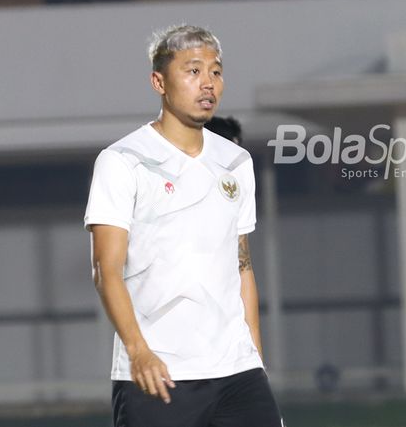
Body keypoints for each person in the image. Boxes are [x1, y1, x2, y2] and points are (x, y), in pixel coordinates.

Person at [85, 25, 283, 427]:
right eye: (193, 71)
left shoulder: (235, 163)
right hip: (159, 373)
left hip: (235, 371)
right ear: (159, 81)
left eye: (215, 71)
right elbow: (106, 270)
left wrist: (255, 359)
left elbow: (241, 266)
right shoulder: (123, 160)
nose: (207, 83)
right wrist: (138, 350)